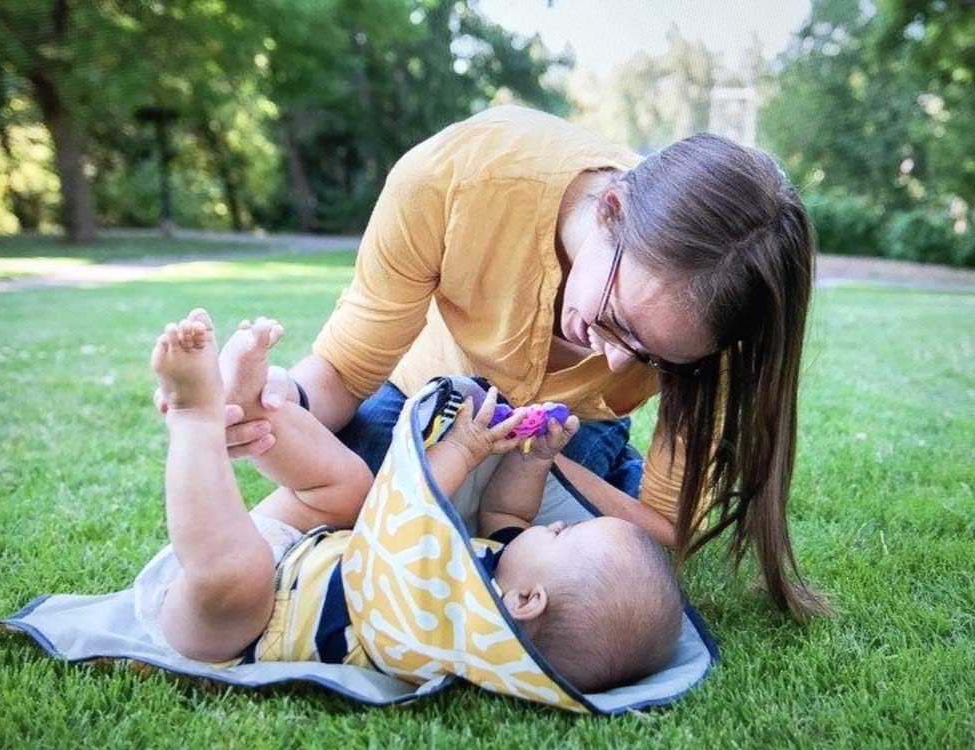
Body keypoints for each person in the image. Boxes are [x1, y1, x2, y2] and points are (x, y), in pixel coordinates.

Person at [157, 104, 826, 618]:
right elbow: (342, 373)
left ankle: (593, 471)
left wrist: (536, 454)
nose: (618, 362)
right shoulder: (453, 178)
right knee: (367, 493)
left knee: (602, 570)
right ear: (612, 209)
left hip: (568, 434)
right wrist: (275, 400)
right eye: (617, 321)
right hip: (422, 398)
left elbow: (664, 532)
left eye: (657, 359)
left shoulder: (724, 313)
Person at [140, 309, 682, 692]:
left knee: (239, 572)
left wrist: (465, 447)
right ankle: (255, 409)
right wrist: (534, 460)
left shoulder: (458, 635)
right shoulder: (508, 570)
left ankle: (196, 420)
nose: (559, 526)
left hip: (238, 626)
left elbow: (402, 518)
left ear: (528, 601)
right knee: (350, 489)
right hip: (303, 549)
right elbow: (507, 514)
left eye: (569, 535)